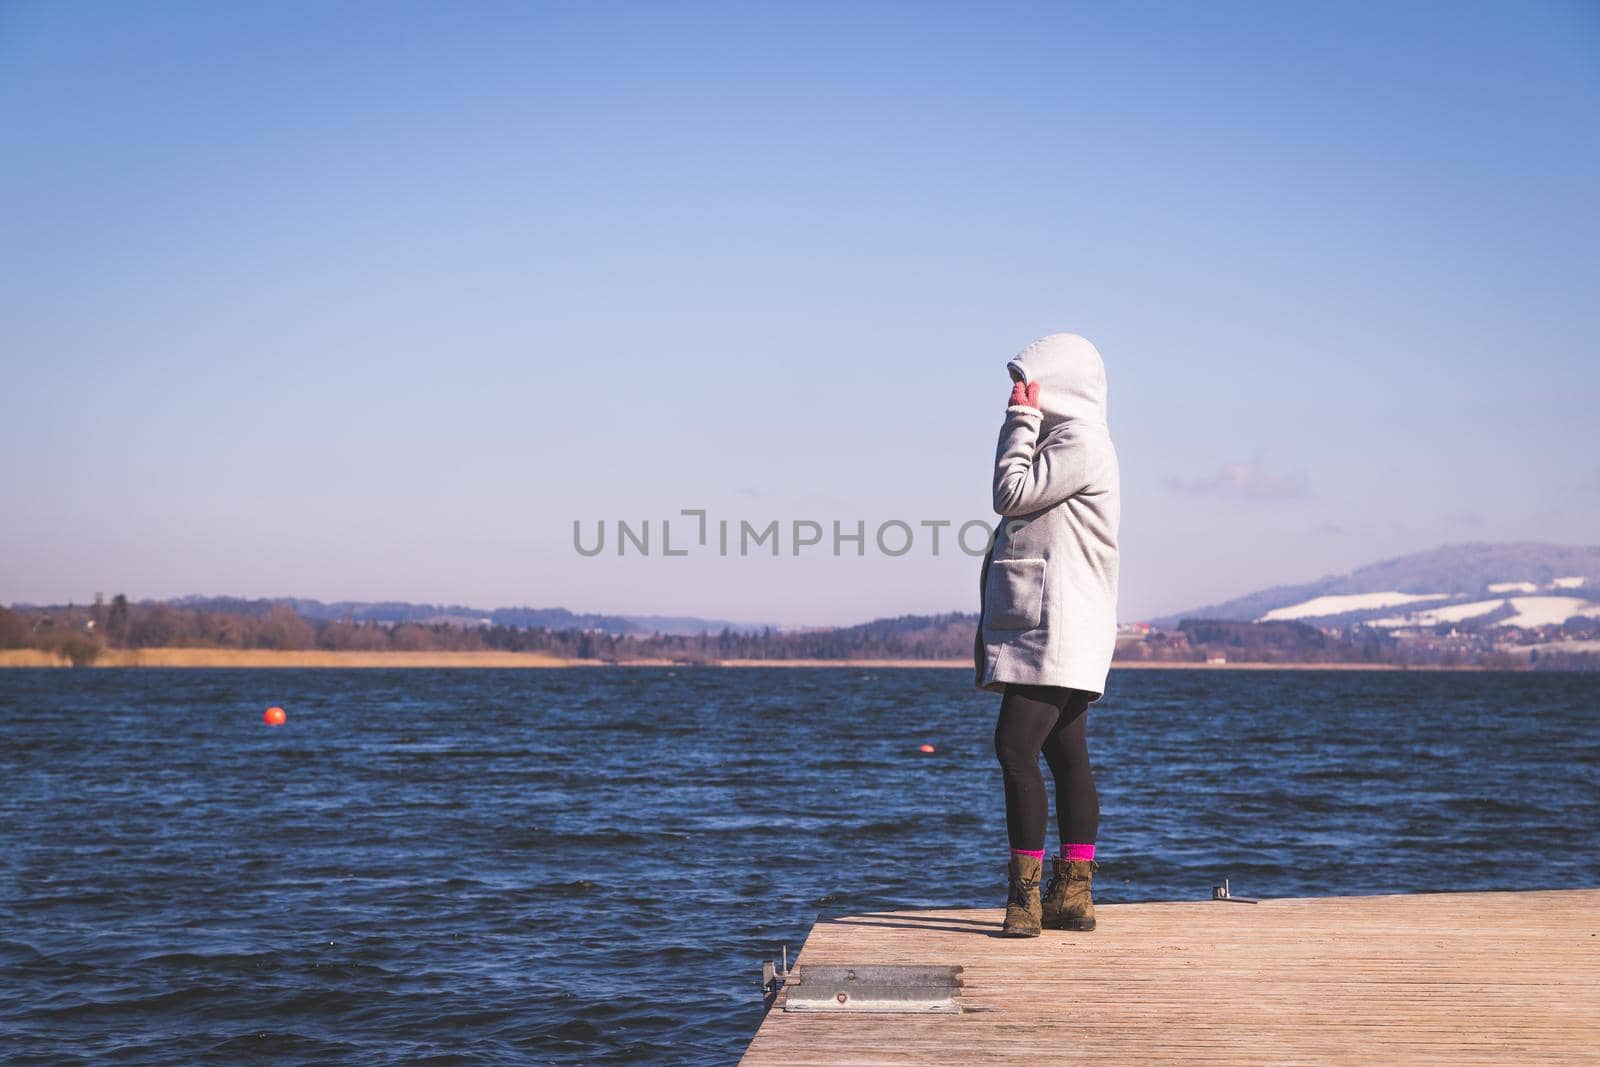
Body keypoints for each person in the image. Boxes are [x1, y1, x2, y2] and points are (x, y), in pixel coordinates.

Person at [974, 333, 1121, 937]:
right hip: (1062, 627)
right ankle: (1073, 897)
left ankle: (1026, 901)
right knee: (1066, 755)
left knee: (1015, 748)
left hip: (1055, 631)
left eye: (1029, 381)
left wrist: (1020, 420)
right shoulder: (1076, 442)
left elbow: (1008, 494)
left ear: (1059, 384)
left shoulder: (1080, 441)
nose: (1017, 391)